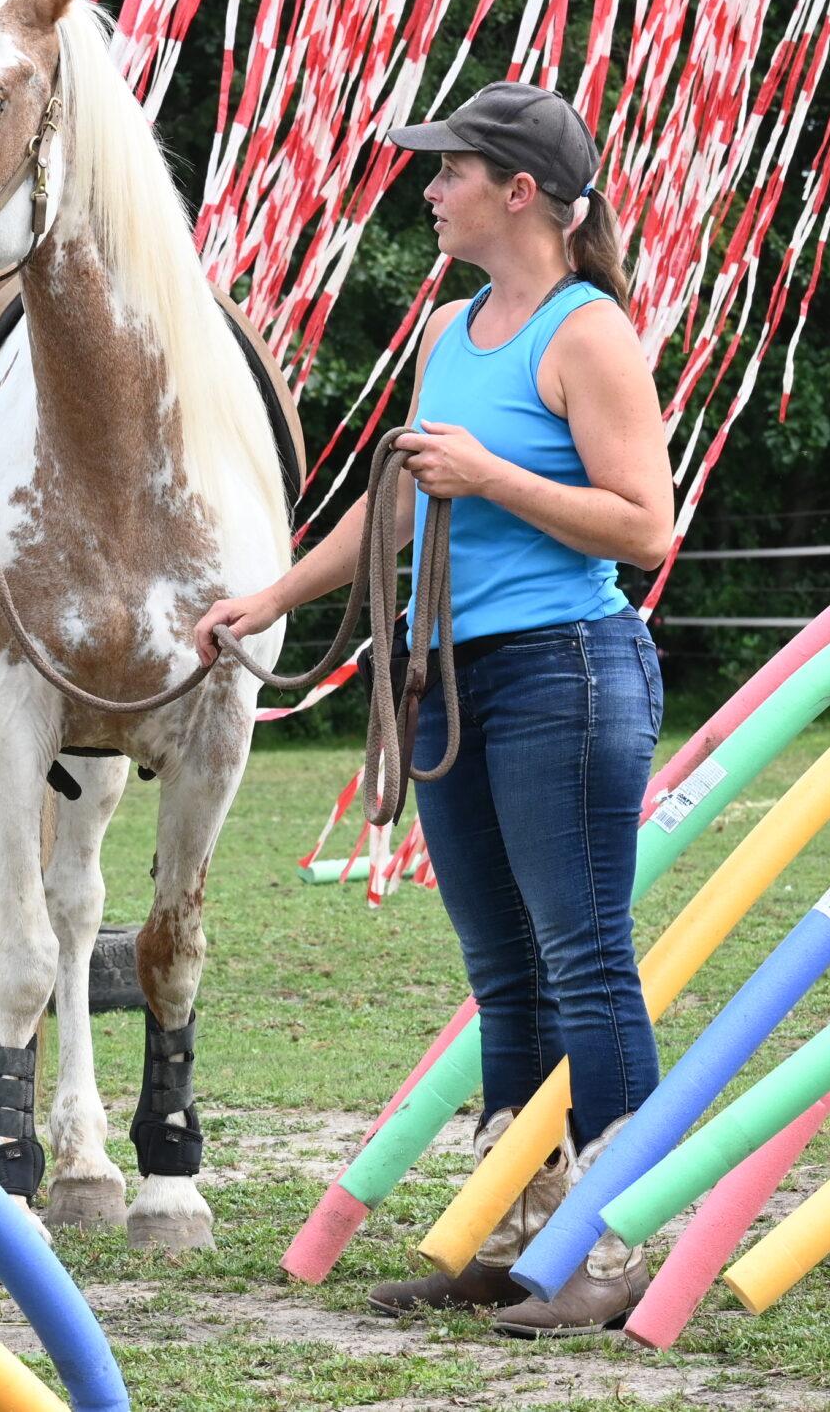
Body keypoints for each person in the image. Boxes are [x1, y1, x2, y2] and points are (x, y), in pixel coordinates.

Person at [195, 81, 673, 1336]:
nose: (428, 188)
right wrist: (266, 598)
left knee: (583, 965)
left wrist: (491, 475)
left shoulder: (585, 334)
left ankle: (615, 1243)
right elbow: (397, 504)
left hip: (565, 672)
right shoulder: (456, 331)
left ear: (518, 191)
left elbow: (646, 526)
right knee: (503, 977)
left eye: (448, 170)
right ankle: (515, 1241)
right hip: (454, 679)